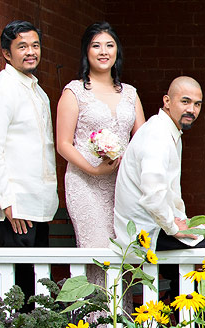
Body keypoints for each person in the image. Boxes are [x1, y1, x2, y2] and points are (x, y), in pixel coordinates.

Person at [0, 21, 59, 297]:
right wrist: (8, 203)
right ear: (6, 53)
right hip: (14, 210)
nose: (31, 52)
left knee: (37, 289)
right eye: (22, 46)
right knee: (16, 291)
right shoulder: (0, 89)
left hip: (37, 207)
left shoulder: (38, 92)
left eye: (35, 45)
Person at [56, 22, 146, 252]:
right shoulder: (74, 92)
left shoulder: (130, 93)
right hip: (86, 183)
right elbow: (63, 144)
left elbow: (142, 140)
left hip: (123, 184)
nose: (104, 51)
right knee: (97, 249)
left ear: (117, 51)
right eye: (96, 46)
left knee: (124, 250)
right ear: (87, 51)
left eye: (109, 45)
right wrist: (93, 169)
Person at [114, 76, 205, 252]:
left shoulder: (167, 131)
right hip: (145, 231)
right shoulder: (157, 134)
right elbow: (153, 193)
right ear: (167, 101)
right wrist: (173, 227)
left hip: (156, 225)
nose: (192, 110)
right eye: (185, 101)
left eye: (197, 104)